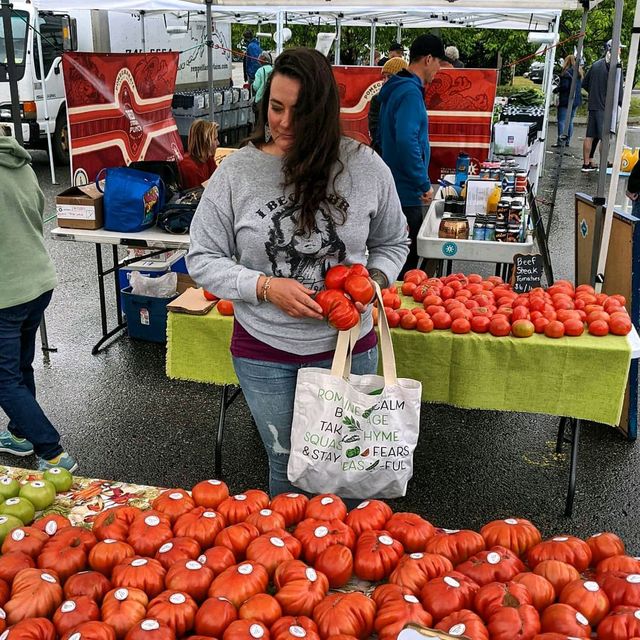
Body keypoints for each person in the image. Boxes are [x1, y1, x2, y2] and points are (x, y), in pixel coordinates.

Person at [187, 48, 409, 497]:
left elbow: (393, 242)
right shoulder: (237, 173)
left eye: (300, 111)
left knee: (347, 459)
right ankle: (292, 561)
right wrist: (263, 287)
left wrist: (373, 283)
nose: (284, 123)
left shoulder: (365, 168)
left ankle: (344, 556)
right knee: (285, 460)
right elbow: (202, 257)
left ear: (324, 112)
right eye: (276, 107)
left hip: (348, 344)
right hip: (263, 350)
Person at [0, 129, 78, 472]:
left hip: (7, 292)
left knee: (4, 379)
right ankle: (19, 434)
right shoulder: (20, 161)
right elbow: (37, 208)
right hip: (37, 281)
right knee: (19, 366)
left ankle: (52, 452)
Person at [378, 33, 444, 275]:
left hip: (394, 186)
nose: (439, 69)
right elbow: (407, 140)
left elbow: (383, 135)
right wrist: (423, 183)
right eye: (439, 62)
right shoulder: (409, 93)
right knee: (405, 266)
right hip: (406, 192)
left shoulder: (397, 88)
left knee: (394, 258)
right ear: (428, 59)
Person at [581, 39, 625, 173]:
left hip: (593, 105)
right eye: (619, 48)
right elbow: (618, 89)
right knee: (605, 136)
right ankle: (603, 162)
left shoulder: (595, 65)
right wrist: (620, 103)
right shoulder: (615, 66)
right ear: (612, 49)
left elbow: (585, 84)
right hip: (605, 107)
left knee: (590, 135)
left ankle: (586, 163)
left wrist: (594, 93)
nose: (620, 50)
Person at [368, 57, 409, 154]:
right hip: (381, 154)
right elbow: (375, 130)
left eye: (390, 77)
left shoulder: (410, 99)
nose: (385, 81)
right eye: (384, 77)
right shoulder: (377, 100)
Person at [178, 119, 219, 189]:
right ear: (205, 142)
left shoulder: (208, 159)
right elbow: (197, 196)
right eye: (215, 139)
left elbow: (218, 181)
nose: (218, 143)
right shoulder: (189, 167)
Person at [553, 55, 583, 148]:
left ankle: (560, 140)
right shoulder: (578, 73)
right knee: (570, 121)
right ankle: (567, 141)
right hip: (575, 100)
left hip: (566, 100)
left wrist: (557, 89)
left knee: (561, 121)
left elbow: (565, 86)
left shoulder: (566, 73)